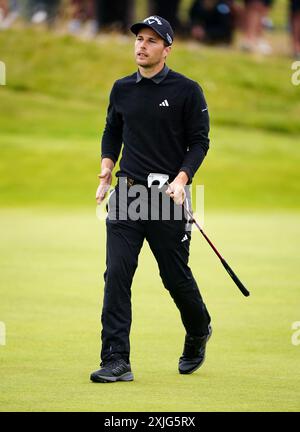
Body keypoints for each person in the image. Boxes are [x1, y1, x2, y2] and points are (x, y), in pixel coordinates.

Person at [90, 15, 212, 383]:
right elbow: (112, 131)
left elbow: (200, 142)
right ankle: (116, 359)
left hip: (167, 198)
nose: (141, 46)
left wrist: (182, 179)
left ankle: (198, 329)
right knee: (117, 275)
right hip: (127, 193)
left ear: (167, 49)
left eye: (151, 41)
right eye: (139, 39)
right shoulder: (121, 89)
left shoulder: (187, 90)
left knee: (174, 277)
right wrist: (107, 168)